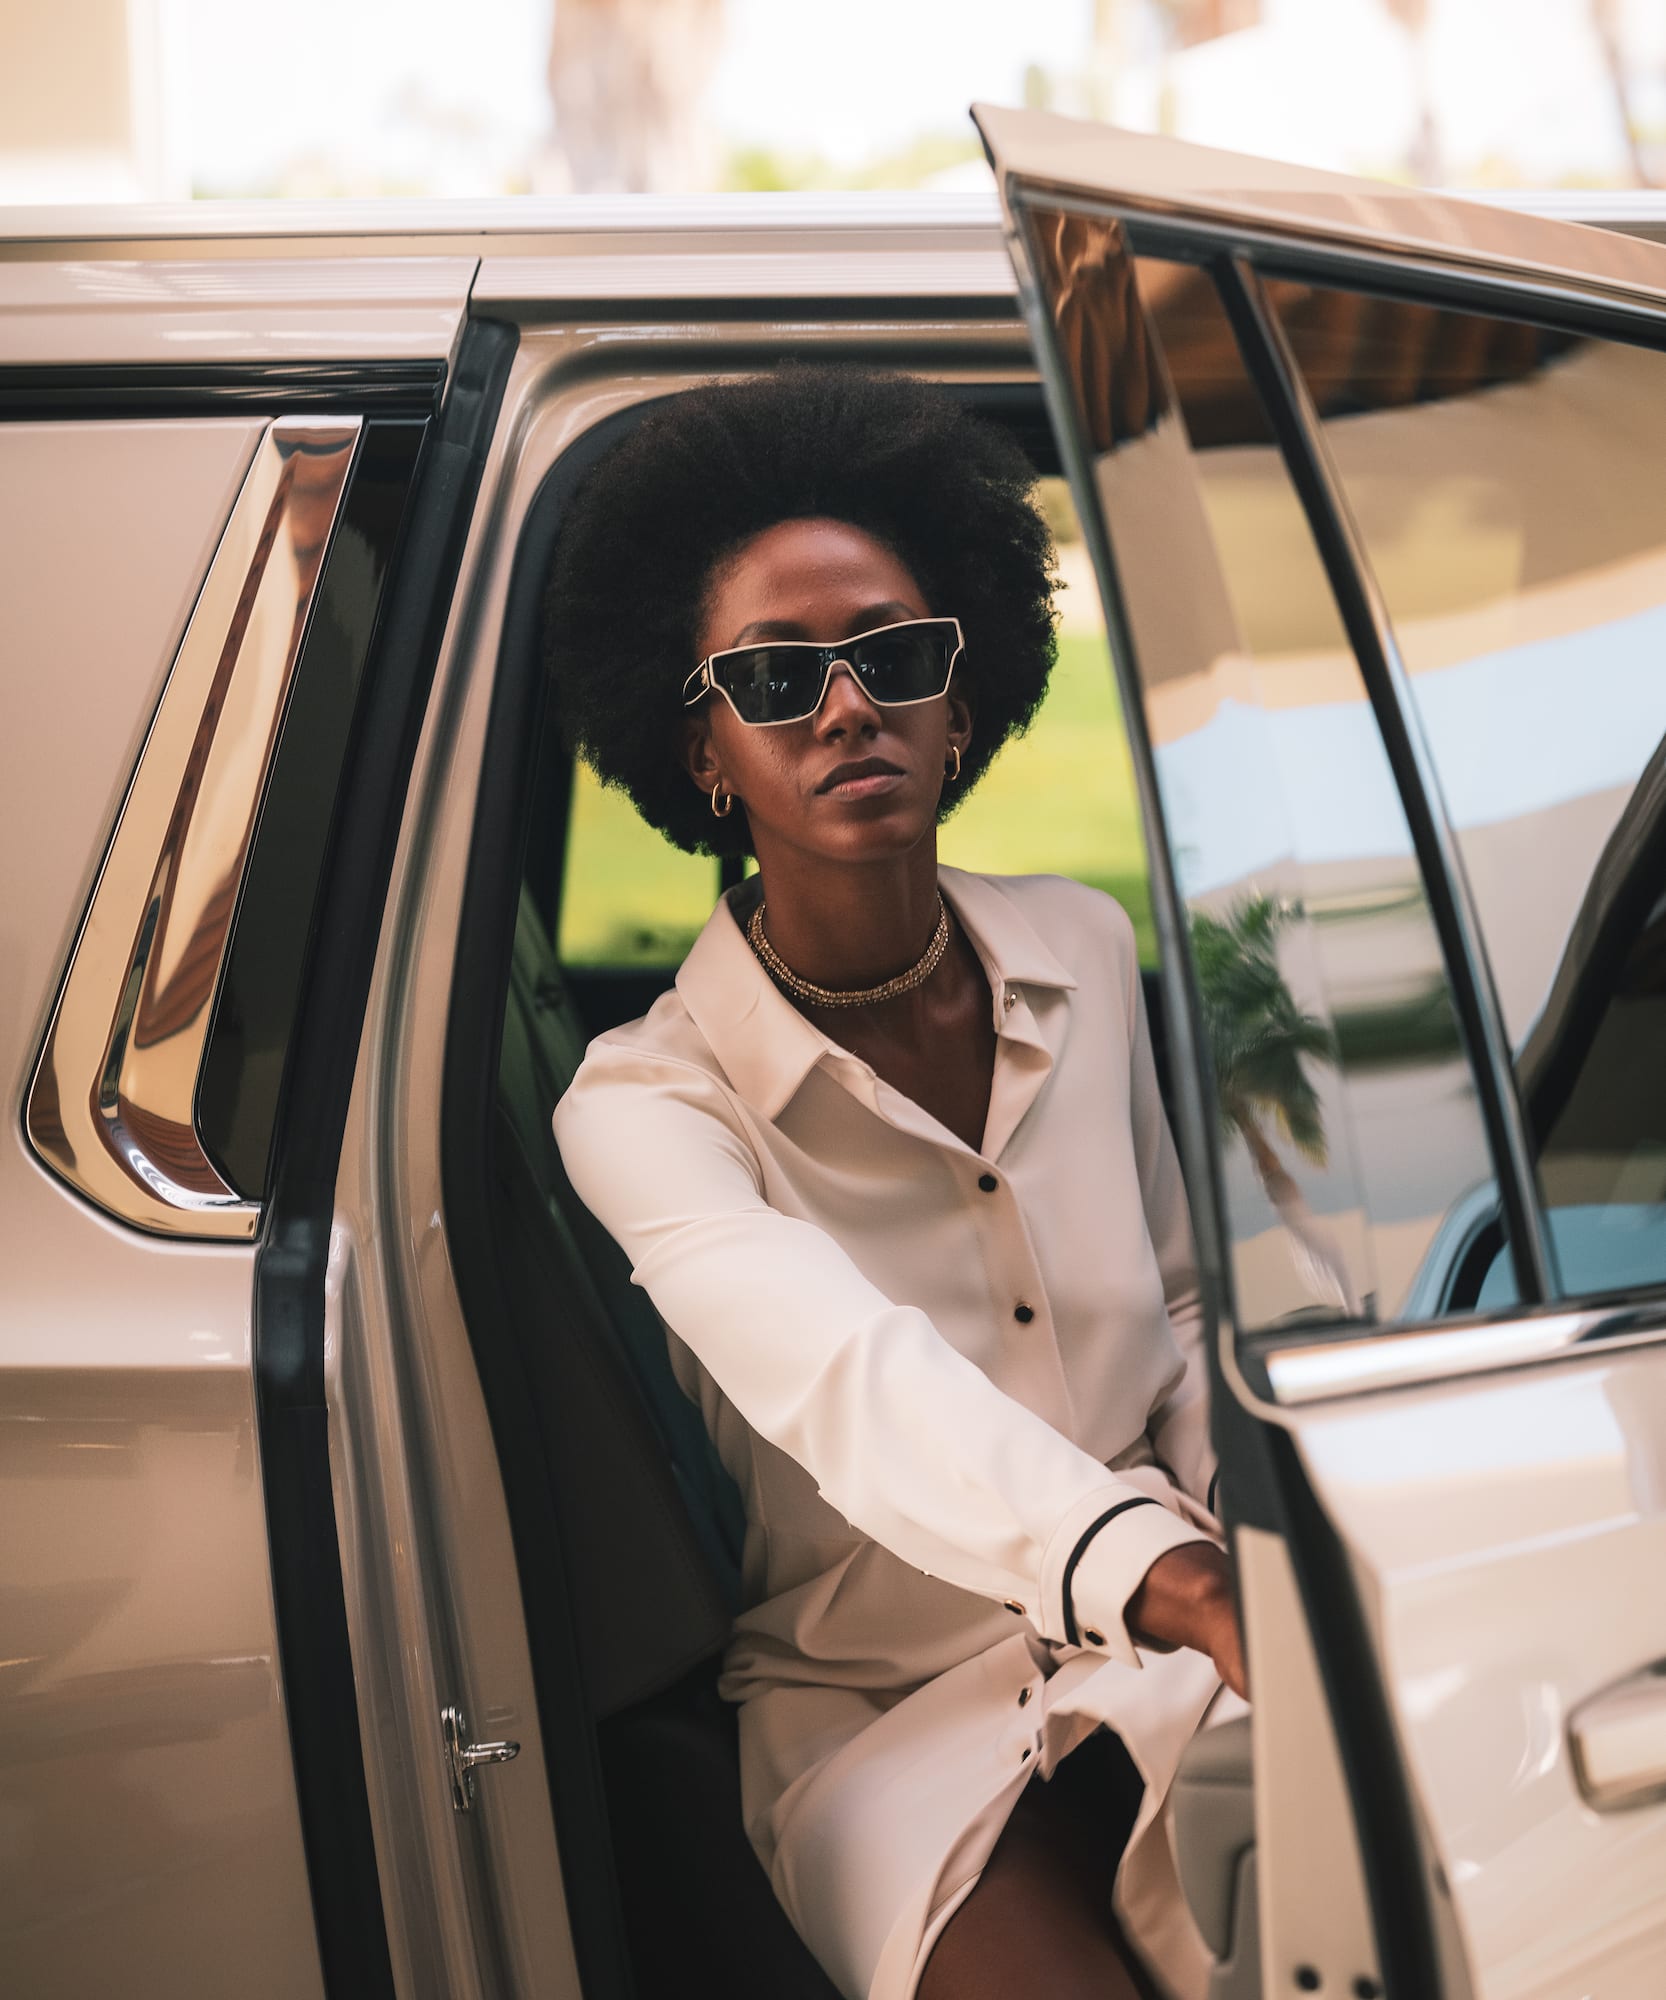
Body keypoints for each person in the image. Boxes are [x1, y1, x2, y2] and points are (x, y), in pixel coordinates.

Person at [544, 364, 1250, 2000]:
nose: (846, 706)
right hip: (887, 1707)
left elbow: (1183, 1310)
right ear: (704, 748)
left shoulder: (1083, 945)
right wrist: (1168, 1576)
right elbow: (859, 1385)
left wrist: (1257, 1552)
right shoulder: (645, 1104)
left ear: (961, 698)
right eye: (775, 677)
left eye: (895, 656)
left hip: (1184, 1639)